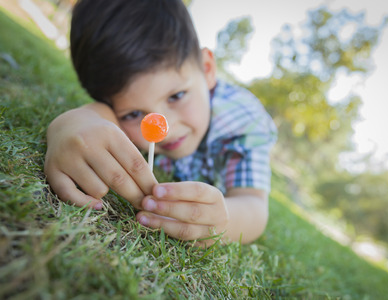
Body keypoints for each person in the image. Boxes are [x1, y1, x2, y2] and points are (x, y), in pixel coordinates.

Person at [44, 0, 277, 245]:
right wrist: (68, 124)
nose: (165, 129)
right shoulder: (118, 108)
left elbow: (253, 205)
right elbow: (98, 116)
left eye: (176, 96)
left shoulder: (245, 124)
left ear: (207, 69)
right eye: (133, 113)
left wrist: (225, 219)